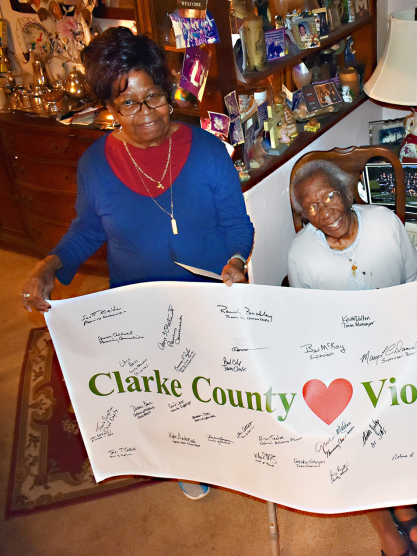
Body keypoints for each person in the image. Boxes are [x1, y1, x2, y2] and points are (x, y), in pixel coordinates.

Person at [20, 27, 255, 498]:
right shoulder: (94, 165)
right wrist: (49, 264)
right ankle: (185, 456)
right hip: (138, 305)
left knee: (213, 386)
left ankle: (221, 448)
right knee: (159, 389)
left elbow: (237, 224)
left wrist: (235, 261)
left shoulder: (209, 153)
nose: (145, 114)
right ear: (110, 106)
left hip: (205, 299)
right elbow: (87, 229)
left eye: (154, 98)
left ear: (169, 95)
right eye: (128, 103)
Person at [287, 160, 417, 556]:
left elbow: (413, 283)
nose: (325, 211)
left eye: (330, 196)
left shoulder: (385, 224)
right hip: (341, 360)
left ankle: (404, 505)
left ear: (347, 193)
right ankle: (386, 525)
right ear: (305, 217)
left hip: (394, 344)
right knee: (351, 437)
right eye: (311, 208)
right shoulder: (301, 253)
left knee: (398, 426)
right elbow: (308, 324)